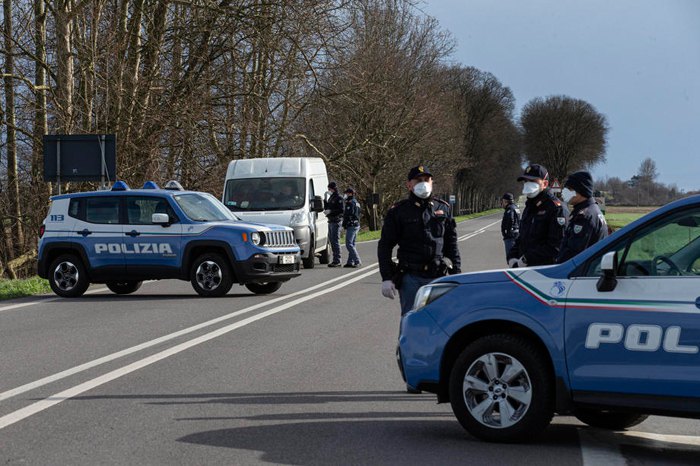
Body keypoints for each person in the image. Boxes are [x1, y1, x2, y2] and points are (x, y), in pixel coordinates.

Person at [377, 165, 461, 316]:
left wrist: (457, 275)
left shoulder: (443, 208)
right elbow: (385, 245)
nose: (423, 183)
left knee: (441, 322)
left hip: (438, 277)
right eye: (418, 180)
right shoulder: (398, 211)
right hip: (411, 277)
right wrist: (387, 277)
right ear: (409, 185)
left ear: (432, 182)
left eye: (426, 179)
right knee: (411, 321)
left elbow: (451, 244)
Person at [507, 164, 568, 268]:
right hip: (525, 269)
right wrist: (512, 256)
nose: (527, 184)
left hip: (544, 271)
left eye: (532, 181)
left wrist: (527, 259)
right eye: (525, 181)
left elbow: (556, 246)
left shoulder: (556, 208)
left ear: (545, 183)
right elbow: (522, 237)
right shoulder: (530, 207)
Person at [557, 171, 608, 263]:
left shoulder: (584, 216)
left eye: (569, 189)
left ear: (580, 191)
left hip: (581, 273)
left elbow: (574, 253)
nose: (565, 191)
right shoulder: (591, 210)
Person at [324, 181, 344, 267]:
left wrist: (331, 211)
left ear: (333, 189)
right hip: (331, 220)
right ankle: (335, 259)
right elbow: (328, 206)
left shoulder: (339, 198)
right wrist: (324, 200)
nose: (329, 190)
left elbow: (341, 210)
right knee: (332, 241)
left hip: (336, 221)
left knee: (335, 241)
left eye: (330, 189)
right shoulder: (331, 197)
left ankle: (337, 260)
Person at [342, 187, 362, 267]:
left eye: (347, 193)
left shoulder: (350, 203)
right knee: (352, 244)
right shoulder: (357, 202)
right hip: (357, 224)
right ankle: (350, 261)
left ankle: (357, 260)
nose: (346, 194)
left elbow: (348, 215)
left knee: (349, 244)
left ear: (350, 193)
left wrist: (344, 224)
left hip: (352, 225)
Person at [500, 192, 520, 263]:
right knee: (516, 257)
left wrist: (506, 232)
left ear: (505, 201)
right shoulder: (516, 207)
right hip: (517, 234)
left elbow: (510, 219)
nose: (502, 203)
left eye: (502, 201)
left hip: (511, 236)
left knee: (511, 258)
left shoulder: (509, 209)